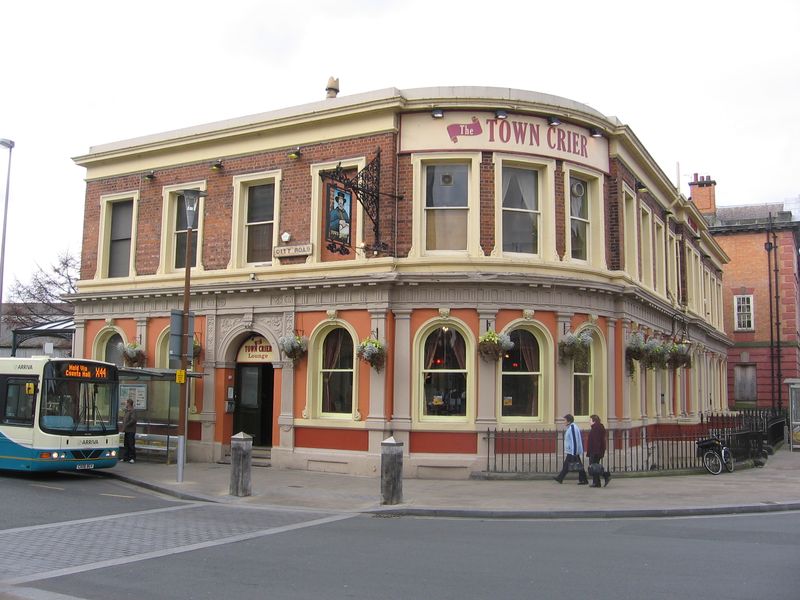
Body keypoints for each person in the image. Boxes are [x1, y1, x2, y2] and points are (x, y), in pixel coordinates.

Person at [553, 413, 588, 485]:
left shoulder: (572, 428)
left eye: (565, 420)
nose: (564, 422)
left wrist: (574, 453)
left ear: (569, 421)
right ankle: (561, 478)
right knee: (574, 465)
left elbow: (574, 440)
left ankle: (561, 478)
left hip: (572, 451)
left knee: (573, 465)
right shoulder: (572, 427)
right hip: (572, 450)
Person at [587, 414, 611, 488]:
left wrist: (595, 452)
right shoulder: (598, 427)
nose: (589, 422)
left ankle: (605, 476)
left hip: (595, 451)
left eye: (590, 420)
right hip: (596, 451)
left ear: (594, 421)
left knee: (594, 467)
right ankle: (597, 482)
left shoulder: (596, 428)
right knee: (595, 466)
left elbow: (596, 441)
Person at [122, 398, 137, 463]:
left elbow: (133, 420)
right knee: (126, 444)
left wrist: (126, 425)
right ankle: (126, 457)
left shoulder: (132, 411)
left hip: (131, 430)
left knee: (131, 444)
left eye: (126, 402)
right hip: (126, 430)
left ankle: (132, 457)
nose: (125, 404)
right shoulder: (127, 411)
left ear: (129, 403)